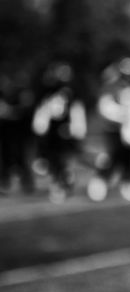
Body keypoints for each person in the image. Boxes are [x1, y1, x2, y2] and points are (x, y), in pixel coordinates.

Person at [88, 58, 130, 202]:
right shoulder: (111, 87)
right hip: (114, 130)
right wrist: (122, 115)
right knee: (114, 156)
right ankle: (100, 181)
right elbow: (105, 108)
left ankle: (128, 182)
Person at [31, 63, 87, 202]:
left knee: (65, 161)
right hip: (51, 135)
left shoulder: (72, 93)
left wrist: (77, 129)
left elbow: (77, 111)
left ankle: (64, 182)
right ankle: (59, 184)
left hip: (66, 134)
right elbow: (42, 112)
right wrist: (40, 126)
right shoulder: (47, 92)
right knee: (53, 162)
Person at [0, 73, 37, 196]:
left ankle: (27, 184)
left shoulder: (22, 92)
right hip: (6, 134)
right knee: (5, 159)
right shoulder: (3, 94)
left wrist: (10, 111)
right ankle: (4, 184)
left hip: (21, 135)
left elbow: (25, 109)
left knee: (22, 159)